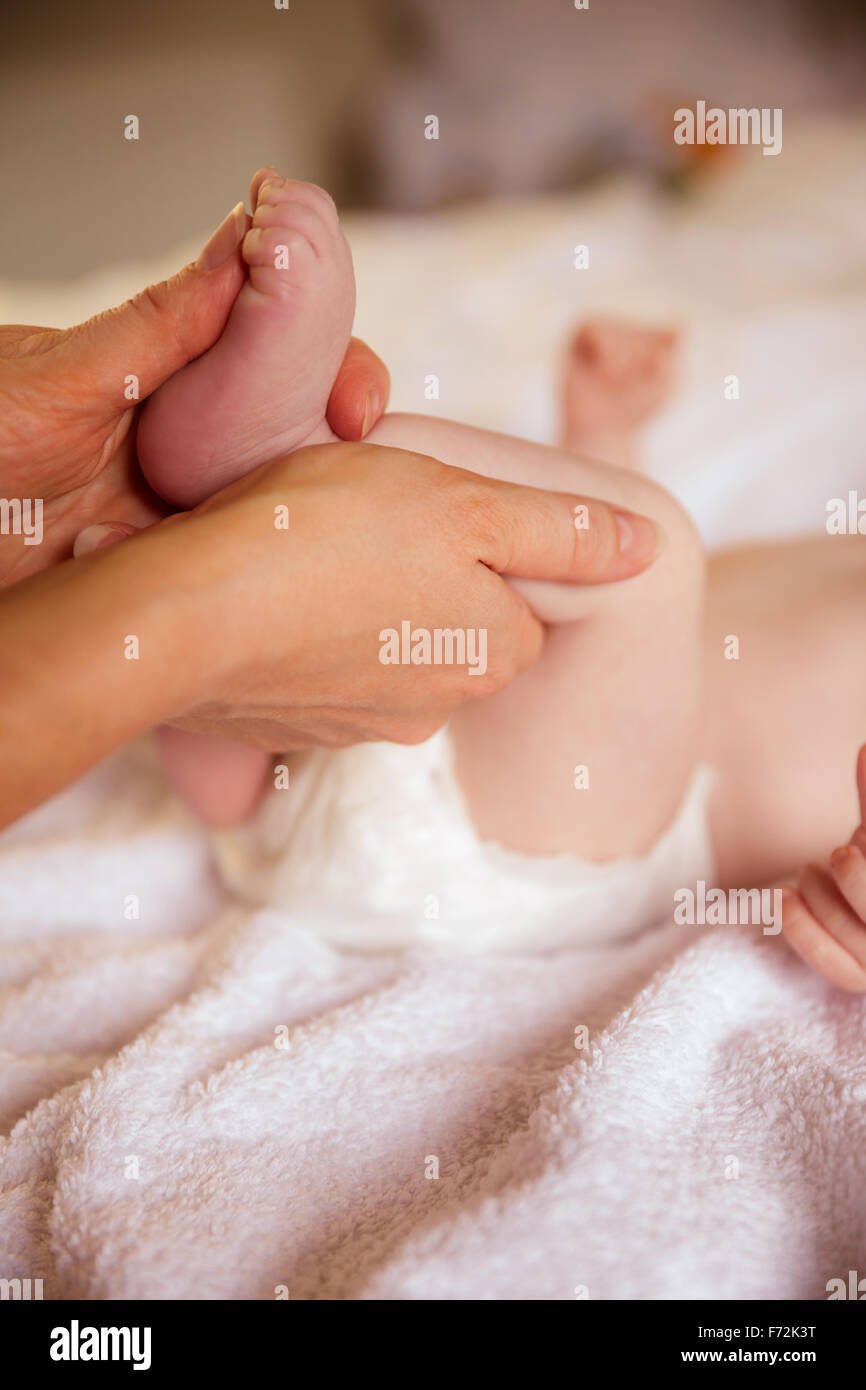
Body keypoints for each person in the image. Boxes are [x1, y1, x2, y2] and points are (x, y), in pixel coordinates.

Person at [0, 198, 658, 826]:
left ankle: (286, 470)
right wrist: (603, 437)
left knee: (657, 550)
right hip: (343, 818)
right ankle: (220, 543)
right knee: (237, 795)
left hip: (567, 840)